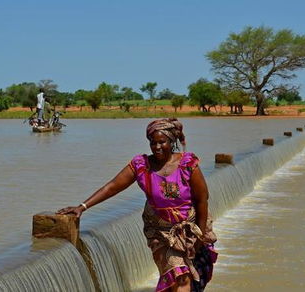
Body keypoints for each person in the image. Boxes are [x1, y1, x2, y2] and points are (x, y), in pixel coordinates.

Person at [57, 118, 217, 292]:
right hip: (160, 233)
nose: (157, 147)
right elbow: (112, 186)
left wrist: (200, 238)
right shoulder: (142, 166)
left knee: (178, 282)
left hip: (190, 229)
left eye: (162, 142)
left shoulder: (187, 164)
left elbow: (202, 199)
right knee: (179, 277)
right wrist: (82, 206)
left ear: (172, 141)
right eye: (152, 143)